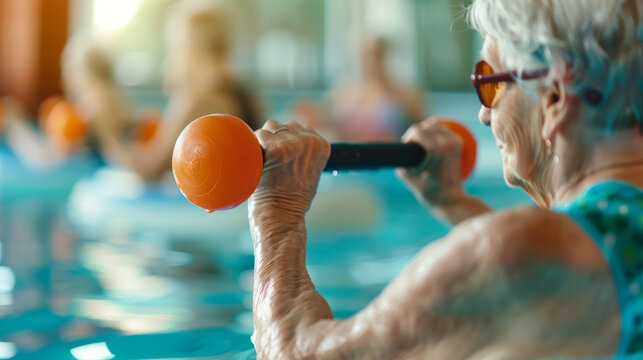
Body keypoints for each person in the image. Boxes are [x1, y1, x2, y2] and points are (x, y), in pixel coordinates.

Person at [247, 0, 642, 358]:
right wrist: (453, 201)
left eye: (491, 83)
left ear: (554, 97)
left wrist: (276, 211)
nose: (484, 116)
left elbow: (292, 352)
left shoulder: (513, 252)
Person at [98, 0, 262, 181]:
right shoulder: (245, 94)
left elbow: (148, 169)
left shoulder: (199, 101)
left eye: (173, 49)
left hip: (212, 208)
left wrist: (108, 134)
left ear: (189, 48)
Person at [328, 36, 425, 142]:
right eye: (362, 54)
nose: (368, 60)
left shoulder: (406, 93)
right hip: (352, 156)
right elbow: (330, 129)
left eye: (375, 54)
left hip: (391, 156)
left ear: (384, 55)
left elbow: (422, 132)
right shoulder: (342, 91)